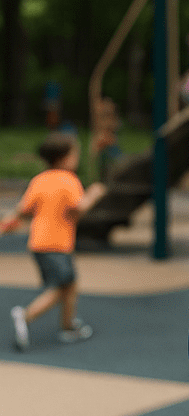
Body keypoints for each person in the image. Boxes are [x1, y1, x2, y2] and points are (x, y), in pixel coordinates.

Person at [1, 133, 106, 350]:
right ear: (64, 158)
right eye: (75, 153)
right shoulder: (69, 181)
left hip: (39, 243)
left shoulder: (39, 180)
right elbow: (79, 208)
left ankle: (68, 325)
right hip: (57, 244)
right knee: (60, 287)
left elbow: (23, 211)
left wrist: (6, 225)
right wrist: (94, 194)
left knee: (70, 284)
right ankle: (25, 315)